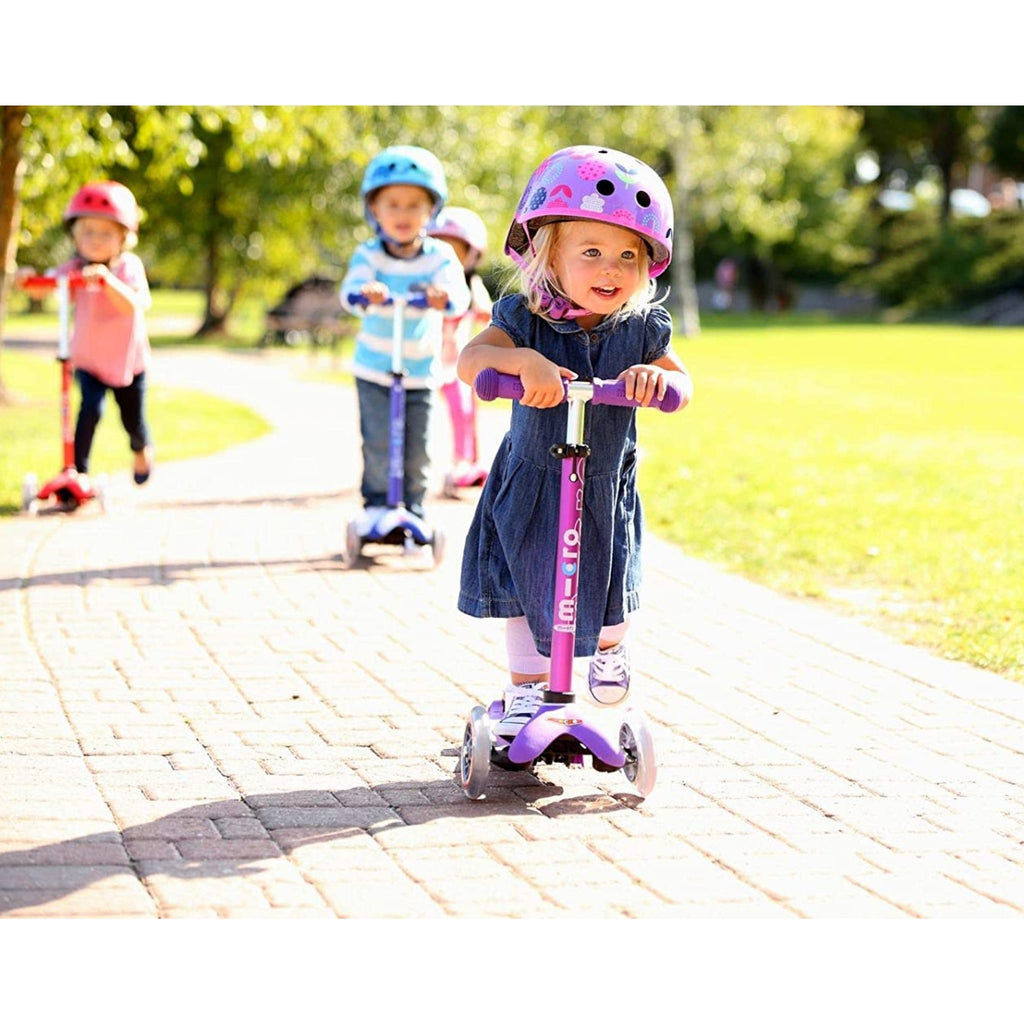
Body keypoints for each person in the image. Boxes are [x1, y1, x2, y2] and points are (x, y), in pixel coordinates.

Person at [457, 145, 693, 736]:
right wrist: (525, 363)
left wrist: (656, 379)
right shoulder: (523, 317)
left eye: (627, 255)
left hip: (604, 483)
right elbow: (471, 360)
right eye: (591, 252)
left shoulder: (640, 328)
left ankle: (612, 646)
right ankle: (525, 692)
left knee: (612, 579)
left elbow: (683, 383)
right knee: (524, 587)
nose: (610, 269)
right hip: (535, 481)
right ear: (548, 254)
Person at [340, 145, 470, 529]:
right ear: (374, 210)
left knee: (418, 450)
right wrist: (367, 292)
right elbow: (350, 293)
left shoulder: (440, 257)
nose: (403, 214)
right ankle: (376, 507)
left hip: (420, 369)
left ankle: (412, 509)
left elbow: (457, 295)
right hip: (374, 369)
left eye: (414, 205)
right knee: (378, 443)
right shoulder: (369, 255)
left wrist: (443, 296)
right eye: (392, 204)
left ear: (432, 210)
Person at [20, 180, 154, 486]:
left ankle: (141, 449)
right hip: (90, 361)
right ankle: (77, 475)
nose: (95, 240)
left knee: (132, 421)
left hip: (127, 363)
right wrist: (28, 281)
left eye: (106, 233)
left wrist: (107, 280)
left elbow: (133, 305)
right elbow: (48, 285)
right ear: (75, 236)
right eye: (88, 232)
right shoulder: (74, 268)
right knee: (89, 411)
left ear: (124, 237)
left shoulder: (128, 268)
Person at [427, 205, 494, 491]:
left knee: (465, 411)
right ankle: (436, 465)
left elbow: (486, 311)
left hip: (458, 364)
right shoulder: (428, 287)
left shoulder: (471, 284)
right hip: (428, 360)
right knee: (425, 414)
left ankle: (466, 464)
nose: (448, 260)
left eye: (456, 252)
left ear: (471, 255)